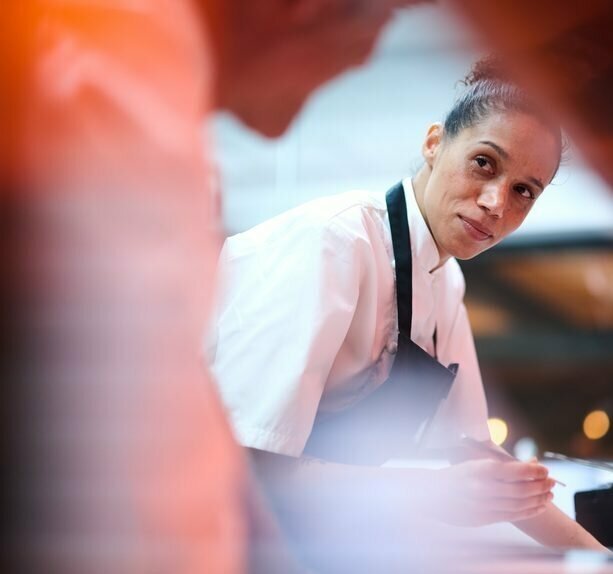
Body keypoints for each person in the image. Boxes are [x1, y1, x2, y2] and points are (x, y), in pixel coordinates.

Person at [2, 1, 428, 572]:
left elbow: (184, 405)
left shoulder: (163, 101)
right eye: (385, 15)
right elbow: (113, 463)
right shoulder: (112, 82)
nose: (366, 57)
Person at [210, 57, 607, 570]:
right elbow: (242, 466)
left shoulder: (446, 281)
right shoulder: (334, 242)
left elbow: (473, 453)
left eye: (523, 191)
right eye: (484, 163)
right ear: (434, 143)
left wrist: (599, 556)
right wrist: (428, 492)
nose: (496, 203)